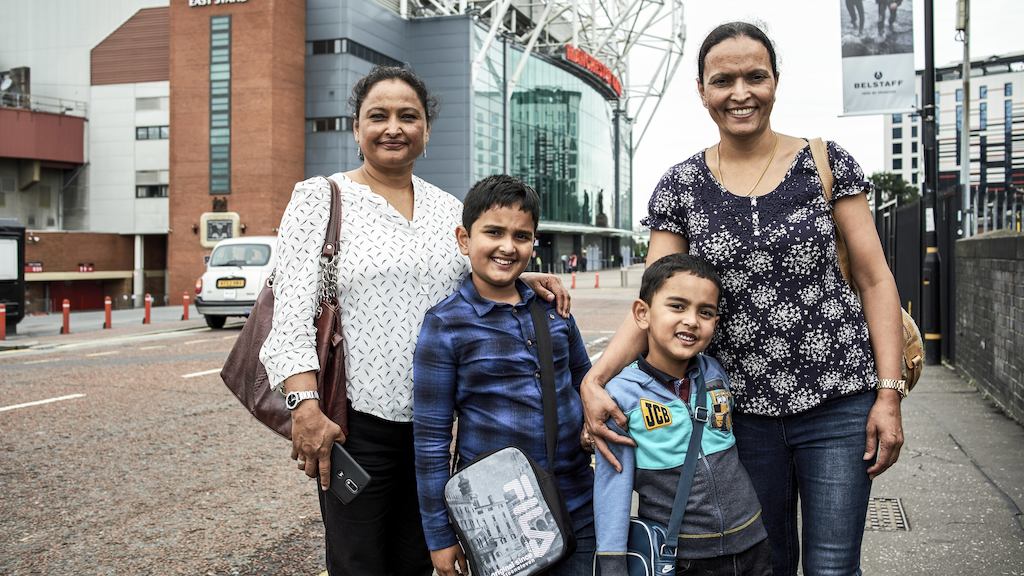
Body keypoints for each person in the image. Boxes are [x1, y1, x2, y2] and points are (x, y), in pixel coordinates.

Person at [581, 22, 906, 576]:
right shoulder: (680, 186)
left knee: (833, 565)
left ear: (775, 81)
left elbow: (876, 280)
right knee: (764, 562)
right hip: (735, 414)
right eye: (723, 80)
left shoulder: (827, 163)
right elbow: (658, 304)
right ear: (702, 90)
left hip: (838, 401)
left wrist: (889, 394)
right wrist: (596, 380)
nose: (740, 93)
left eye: (755, 76)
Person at [258, 66, 570, 576]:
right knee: (358, 563)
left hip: (435, 428)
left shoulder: (446, 208)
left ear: (426, 129)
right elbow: (290, 313)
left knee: (420, 561)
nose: (393, 128)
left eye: (409, 116)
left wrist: (524, 280)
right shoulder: (321, 197)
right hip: (354, 426)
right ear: (356, 127)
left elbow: (468, 284)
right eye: (377, 116)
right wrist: (304, 407)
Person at [413, 175, 595, 576]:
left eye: (522, 236)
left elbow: (587, 380)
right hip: (498, 520)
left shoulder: (553, 309)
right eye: (493, 232)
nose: (508, 247)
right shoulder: (445, 325)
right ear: (464, 239)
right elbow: (430, 441)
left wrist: (592, 419)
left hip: (578, 502)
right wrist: (439, 537)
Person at [594, 253, 770, 576]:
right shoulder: (620, 396)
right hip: (683, 557)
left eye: (706, 312)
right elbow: (611, 486)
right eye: (677, 306)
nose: (691, 320)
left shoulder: (714, 372)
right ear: (642, 313)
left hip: (751, 542)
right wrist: (612, 562)